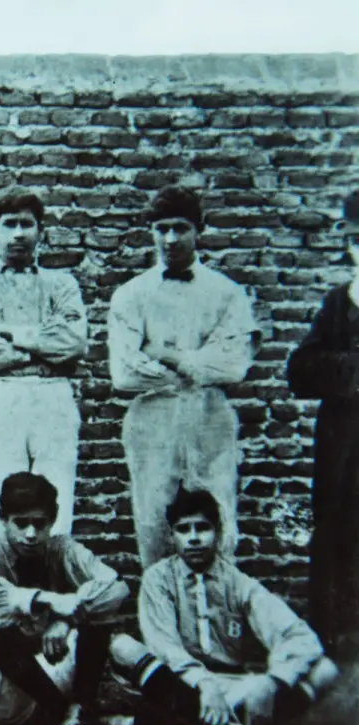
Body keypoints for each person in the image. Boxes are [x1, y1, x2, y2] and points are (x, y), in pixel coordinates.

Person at [109, 487, 339, 725]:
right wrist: (205, 684)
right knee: (121, 646)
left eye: (202, 528)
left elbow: (301, 637)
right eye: (183, 529)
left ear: (217, 533)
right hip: (180, 682)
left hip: (234, 686)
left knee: (324, 670)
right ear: (172, 536)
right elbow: (165, 647)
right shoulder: (158, 579)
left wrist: (272, 681)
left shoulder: (237, 582)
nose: (193, 538)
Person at [108, 185, 258, 569]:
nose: (170, 239)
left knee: (219, 520)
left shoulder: (227, 294)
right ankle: (162, 622)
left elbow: (234, 366)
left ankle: (217, 621)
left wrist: (166, 354)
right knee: (153, 522)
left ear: (199, 229)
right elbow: (124, 373)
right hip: (152, 421)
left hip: (210, 419)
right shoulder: (131, 295)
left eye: (180, 228)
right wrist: (198, 364)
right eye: (161, 229)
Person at [0, 472, 129, 725]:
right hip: (6, 686)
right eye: (21, 523)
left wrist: (66, 620)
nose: (31, 534)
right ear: (3, 519)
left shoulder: (63, 550)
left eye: (40, 523)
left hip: (54, 665)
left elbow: (116, 586)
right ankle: (75, 719)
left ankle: (74, 716)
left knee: (98, 616)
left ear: (53, 519)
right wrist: (44, 599)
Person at [0, 186, 87, 542]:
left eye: (27, 224)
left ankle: (52, 594)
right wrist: (38, 347)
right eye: (9, 224)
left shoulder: (62, 285)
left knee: (57, 506)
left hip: (53, 396)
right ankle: (1, 594)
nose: (19, 234)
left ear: (41, 230)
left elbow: (72, 344)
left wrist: (0, 330)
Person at [286, 188, 359, 657]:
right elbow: (302, 371)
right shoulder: (340, 302)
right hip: (345, 444)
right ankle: (334, 644)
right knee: (338, 533)